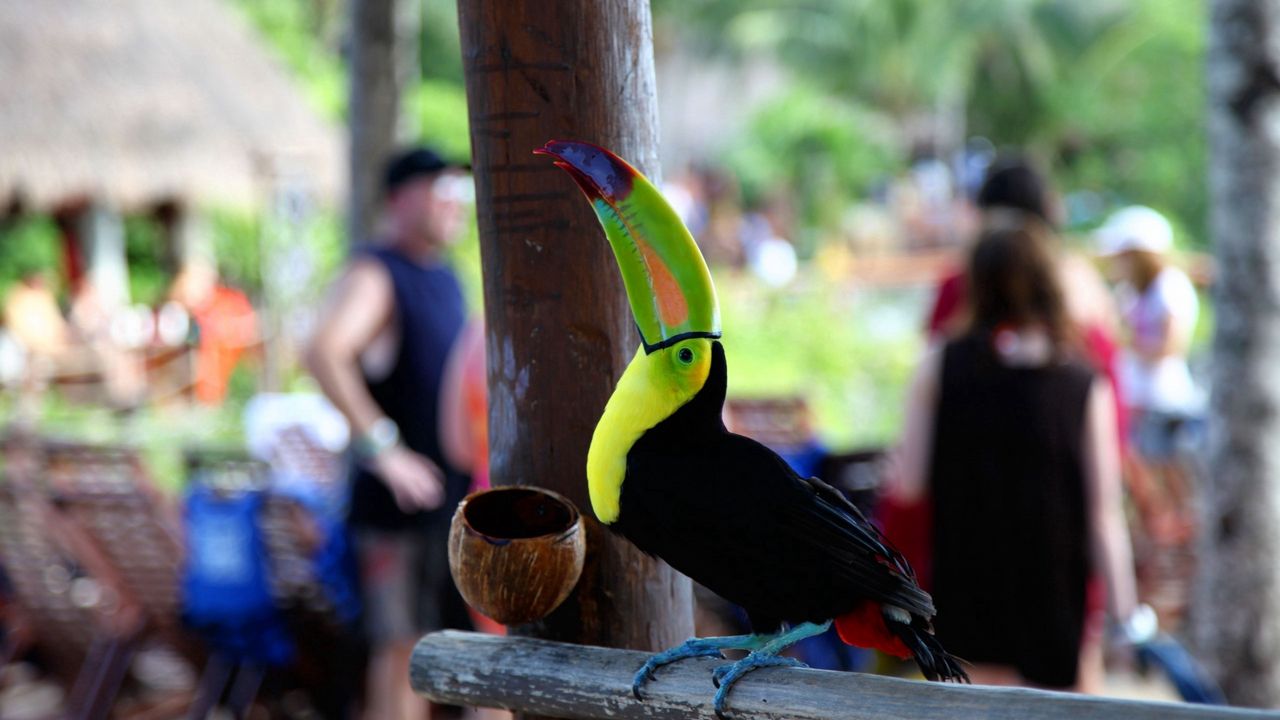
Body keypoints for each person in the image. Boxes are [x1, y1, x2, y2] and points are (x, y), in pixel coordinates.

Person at [887, 211, 1139, 692]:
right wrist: (1125, 617)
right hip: (1054, 596)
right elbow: (1104, 513)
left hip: (967, 584)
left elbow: (910, 483)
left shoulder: (940, 363)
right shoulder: (1084, 380)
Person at [305, 146, 471, 720]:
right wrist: (386, 451)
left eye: (456, 189)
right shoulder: (377, 271)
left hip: (452, 501)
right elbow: (325, 350)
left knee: (462, 653)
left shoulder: (446, 275)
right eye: (438, 188)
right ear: (398, 198)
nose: (453, 201)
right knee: (402, 651)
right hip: (395, 511)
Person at [1097, 206, 1201, 541]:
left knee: (1166, 475)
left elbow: (1171, 345)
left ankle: (1184, 537)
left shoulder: (1169, 286)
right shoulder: (1133, 291)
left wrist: (1125, 341)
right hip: (1138, 396)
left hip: (1163, 398)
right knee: (1144, 474)